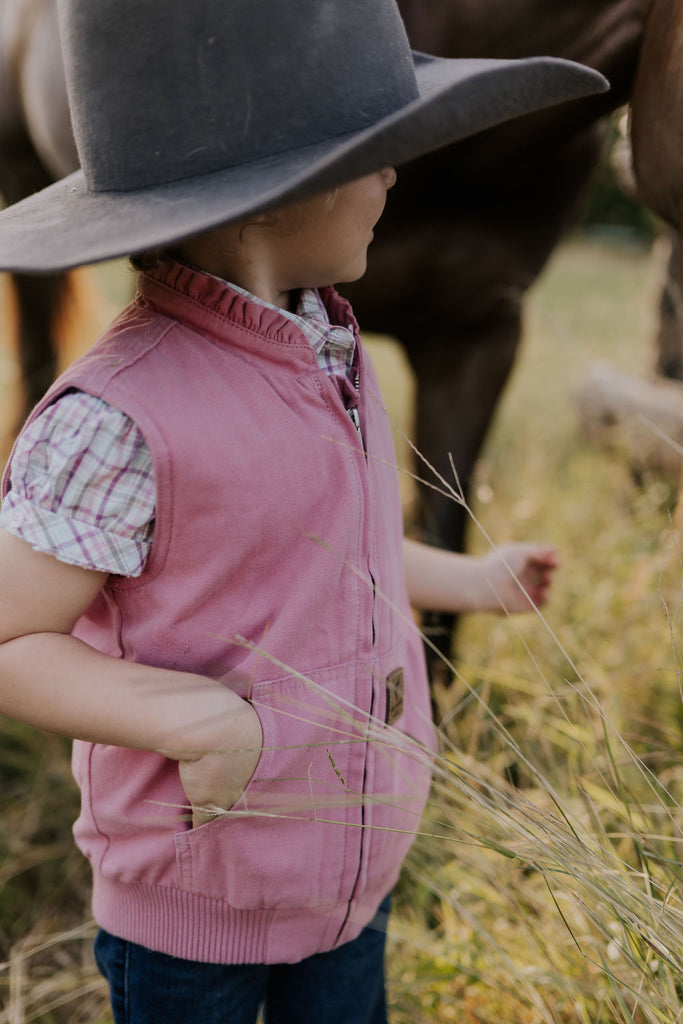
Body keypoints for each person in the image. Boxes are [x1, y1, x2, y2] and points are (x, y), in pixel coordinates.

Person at [0, 2, 602, 1021]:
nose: (395, 175)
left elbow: (320, 537)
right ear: (271, 196)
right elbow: (13, 632)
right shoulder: (119, 415)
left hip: (349, 865)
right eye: (372, 151)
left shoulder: (324, 345)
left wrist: (465, 580)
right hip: (198, 908)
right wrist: (183, 714)